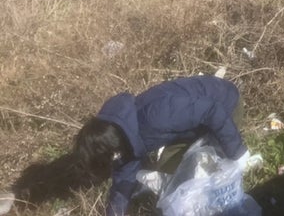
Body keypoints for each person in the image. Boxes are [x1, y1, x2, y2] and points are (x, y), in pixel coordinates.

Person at [74, 75, 253, 216]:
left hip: (227, 107)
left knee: (202, 171)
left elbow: (212, 110)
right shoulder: (122, 135)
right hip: (194, 126)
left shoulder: (157, 115)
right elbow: (123, 180)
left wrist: (237, 153)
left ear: (113, 151)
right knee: (168, 168)